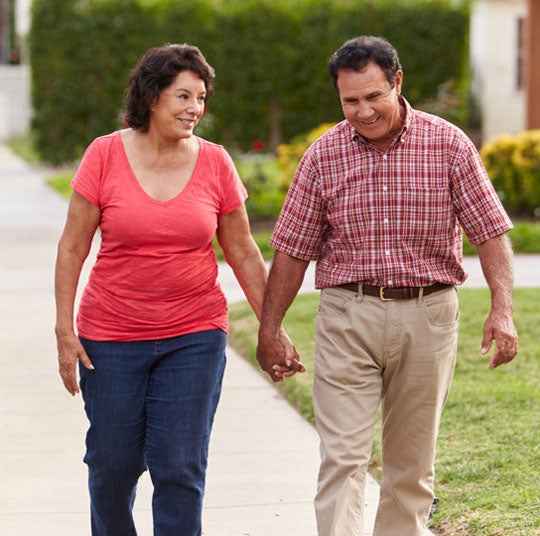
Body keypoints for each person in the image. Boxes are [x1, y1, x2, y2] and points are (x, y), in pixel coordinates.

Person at [256, 35, 518, 536]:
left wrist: (502, 310)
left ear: (398, 83)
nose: (363, 111)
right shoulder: (323, 156)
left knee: (411, 467)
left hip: (429, 314)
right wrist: (270, 328)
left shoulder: (448, 144)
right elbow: (291, 250)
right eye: (350, 101)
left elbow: (491, 233)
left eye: (373, 96)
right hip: (347, 315)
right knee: (342, 458)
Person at [54, 43, 304, 536]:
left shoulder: (214, 162)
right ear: (151, 97)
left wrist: (271, 327)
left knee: (180, 467)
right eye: (183, 96)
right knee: (112, 466)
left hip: (193, 333)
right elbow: (71, 248)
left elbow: (243, 251)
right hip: (111, 335)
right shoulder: (104, 155)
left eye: (202, 97)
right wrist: (64, 329)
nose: (196, 108)